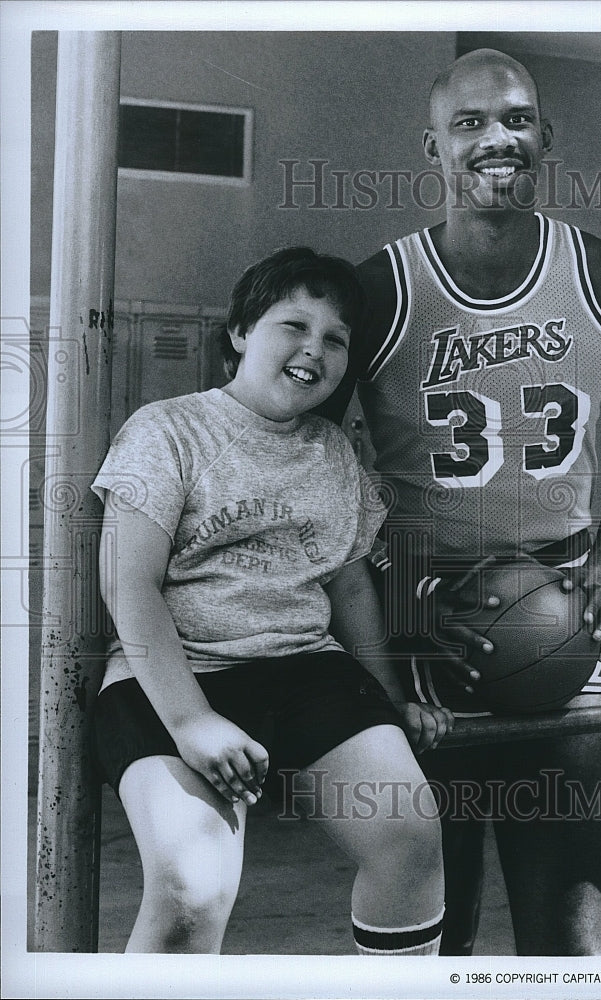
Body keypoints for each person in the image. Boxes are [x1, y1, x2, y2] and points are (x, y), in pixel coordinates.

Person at [324, 49, 601, 955]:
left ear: (545, 137)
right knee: (432, 938)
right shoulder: (375, 291)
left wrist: (600, 574)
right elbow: (312, 477)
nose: (498, 139)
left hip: (560, 622)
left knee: (571, 942)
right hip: (419, 635)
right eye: (472, 122)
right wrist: (394, 615)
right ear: (432, 145)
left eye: (517, 119)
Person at [90, 247, 453, 955]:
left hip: (303, 668)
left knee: (409, 838)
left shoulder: (333, 451)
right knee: (193, 888)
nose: (314, 349)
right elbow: (126, 582)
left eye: (335, 339)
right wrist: (192, 719)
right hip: (176, 673)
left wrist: (390, 698)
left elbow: (349, 583)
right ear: (240, 334)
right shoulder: (167, 429)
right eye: (294, 325)